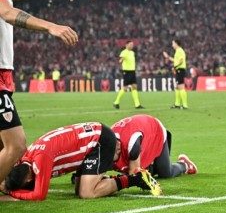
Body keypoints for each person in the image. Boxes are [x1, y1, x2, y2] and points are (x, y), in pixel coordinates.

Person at [0, 0, 79, 188]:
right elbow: (9, 13)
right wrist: (50, 27)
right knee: (16, 145)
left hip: (4, 75)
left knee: (6, 147)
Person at [0, 122, 161, 201]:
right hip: (87, 145)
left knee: (87, 193)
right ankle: (105, 180)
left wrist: (11, 193)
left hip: (99, 140)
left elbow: (39, 195)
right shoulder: (25, 156)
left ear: (28, 178)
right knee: (79, 191)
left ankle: (135, 178)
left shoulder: (40, 159)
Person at [111, 114, 198, 178]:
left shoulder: (132, 144)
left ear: (118, 148)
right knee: (140, 171)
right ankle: (151, 168)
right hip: (141, 131)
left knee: (166, 174)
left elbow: (133, 174)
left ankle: (184, 165)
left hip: (154, 130)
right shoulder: (103, 146)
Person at [113, 41, 144, 109]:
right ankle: (116, 102)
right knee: (125, 88)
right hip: (127, 71)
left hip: (132, 71)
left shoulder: (132, 53)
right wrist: (121, 60)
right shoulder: (124, 52)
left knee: (134, 86)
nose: (131, 46)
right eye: (130, 44)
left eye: (132, 45)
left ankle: (137, 104)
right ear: (126, 45)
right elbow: (121, 59)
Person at [163, 39, 189, 109]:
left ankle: (185, 105)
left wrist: (175, 67)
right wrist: (168, 57)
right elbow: (176, 60)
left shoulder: (180, 50)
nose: (172, 45)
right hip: (178, 69)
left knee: (181, 86)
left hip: (180, 69)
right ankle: (177, 104)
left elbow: (180, 61)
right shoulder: (178, 51)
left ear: (176, 44)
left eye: (173, 43)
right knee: (177, 87)